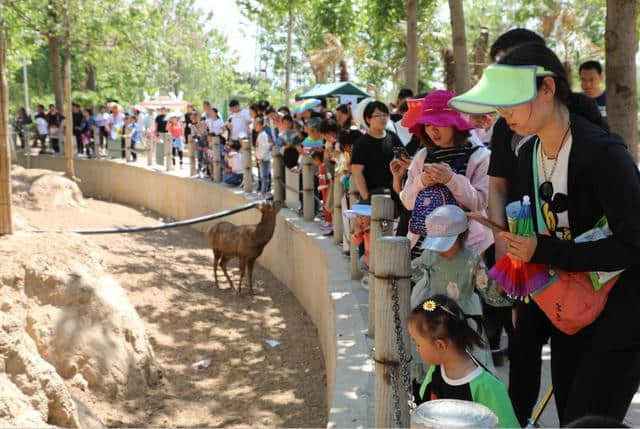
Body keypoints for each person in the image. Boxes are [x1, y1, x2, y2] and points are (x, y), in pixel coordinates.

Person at [449, 41, 640, 426]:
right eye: (499, 105)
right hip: (568, 312)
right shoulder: (527, 153)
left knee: (590, 422)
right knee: (571, 417)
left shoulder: (603, 153)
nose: (504, 114)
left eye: (512, 102)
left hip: (621, 317)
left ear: (548, 89)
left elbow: (633, 244)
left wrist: (545, 250)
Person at [394, 90, 492, 259]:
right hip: (422, 249)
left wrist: (451, 180)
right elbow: (407, 202)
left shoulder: (480, 157)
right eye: (427, 124)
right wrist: (421, 182)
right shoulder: (422, 156)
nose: (432, 130)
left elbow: (480, 203)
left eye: (439, 123)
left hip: (466, 249)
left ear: (455, 124)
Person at [408, 294, 519, 428]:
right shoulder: (436, 371)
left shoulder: (488, 387)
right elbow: (423, 410)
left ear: (440, 345)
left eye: (418, 343)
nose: (416, 349)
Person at [351, 100, 403, 203]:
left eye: (385, 115)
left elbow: (403, 158)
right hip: (373, 194)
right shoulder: (361, 143)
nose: (383, 118)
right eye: (378, 115)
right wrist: (366, 198)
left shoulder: (392, 137)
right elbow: (357, 173)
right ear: (368, 119)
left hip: (394, 193)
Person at [345, 204, 371, 289]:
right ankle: (369, 276)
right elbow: (357, 241)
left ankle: (371, 278)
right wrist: (357, 233)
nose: (360, 219)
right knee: (361, 263)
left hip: (378, 257)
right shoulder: (363, 229)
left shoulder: (376, 228)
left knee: (365, 260)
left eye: (363, 216)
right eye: (357, 217)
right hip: (368, 258)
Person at [312, 151, 332, 228]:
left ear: (317, 159)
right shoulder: (320, 166)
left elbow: (328, 178)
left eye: (314, 160)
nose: (313, 162)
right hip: (323, 189)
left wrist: (321, 177)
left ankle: (329, 221)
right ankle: (327, 220)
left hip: (326, 189)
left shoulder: (324, 166)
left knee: (327, 205)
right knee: (324, 205)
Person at [254, 117, 272, 197]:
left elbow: (266, 147)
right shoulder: (260, 135)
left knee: (264, 176)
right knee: (262, 176)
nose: (255, 126)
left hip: (264, 159)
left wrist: (261, 157)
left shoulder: (263, 135)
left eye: (257, 125)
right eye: (255, 125)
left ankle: (264, 192)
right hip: (261, 159)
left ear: (262, 125)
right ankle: (263, 191)